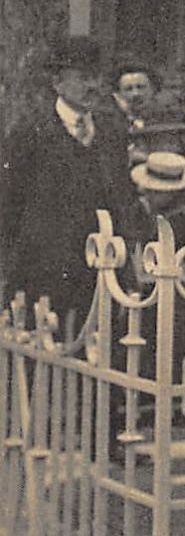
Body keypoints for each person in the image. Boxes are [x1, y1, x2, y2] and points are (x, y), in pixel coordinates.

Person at [0, 37, 136, 322]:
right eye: (83, 78)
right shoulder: (30, 134)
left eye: (96, 77)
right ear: (58, 83)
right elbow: (9, 207)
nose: (93, 86)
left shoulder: (111, 132)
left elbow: (122, 201)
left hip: (101, 268)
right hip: (45, 272)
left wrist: (127, 273)